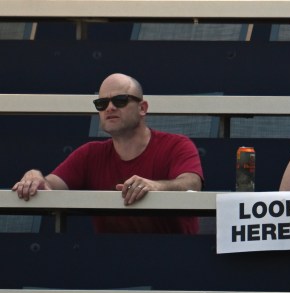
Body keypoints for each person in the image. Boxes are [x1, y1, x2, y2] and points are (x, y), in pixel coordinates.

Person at [11, 73, 204, 234]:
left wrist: (155, 186)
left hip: (173, 258)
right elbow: (50, 185)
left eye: (120, 100)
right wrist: (35, 177)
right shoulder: (90, 154)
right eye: (102, 103)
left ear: (142, 108)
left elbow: (192, 184)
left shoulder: (177, 145)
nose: (110, 107)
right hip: (109, 261)